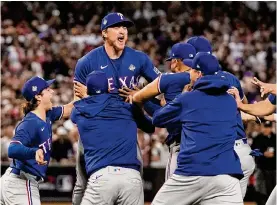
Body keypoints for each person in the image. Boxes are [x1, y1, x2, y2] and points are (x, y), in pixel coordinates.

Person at [72, 12, 160, 204]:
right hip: (96, 127)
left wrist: (141, 94)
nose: (123, 31)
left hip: (125, 126)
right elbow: (77, 102)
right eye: (117, 27)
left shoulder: (138, 59)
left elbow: (162, 84)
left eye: (125, 27)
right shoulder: (87, 62)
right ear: (104, 33)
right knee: (82, 182)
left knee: (133, 175)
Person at [151, 52, 243, 205]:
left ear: (199, 74)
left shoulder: (187, 98)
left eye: (192, 70)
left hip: (192, 173)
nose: (189, 74)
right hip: (226, 177)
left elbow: (158, 119)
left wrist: (179, 97)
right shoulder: (230, 101)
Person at [71, 71, 155, 205]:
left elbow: (88, 108)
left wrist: (88, 94)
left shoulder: (79, 110)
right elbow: (151, 127)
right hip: (132, 178)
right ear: (109, 87)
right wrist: (139, 99)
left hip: (102, 177)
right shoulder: (128, 108)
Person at [1, 76, 74, 205]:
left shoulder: (48, 115)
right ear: (38, 97)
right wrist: (33, 152)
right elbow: (12, 149)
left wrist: (85, 91)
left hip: (16, 182)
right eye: (47, 89)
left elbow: (70, 108)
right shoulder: (30, 123)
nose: (52, 92)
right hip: (21, 183)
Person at [133, 42, 196, 180]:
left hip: (181, 147)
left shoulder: (169, 79)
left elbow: (161, 118)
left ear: (175, 61)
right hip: (207, 148)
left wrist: (142, 98)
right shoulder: (206, 79)